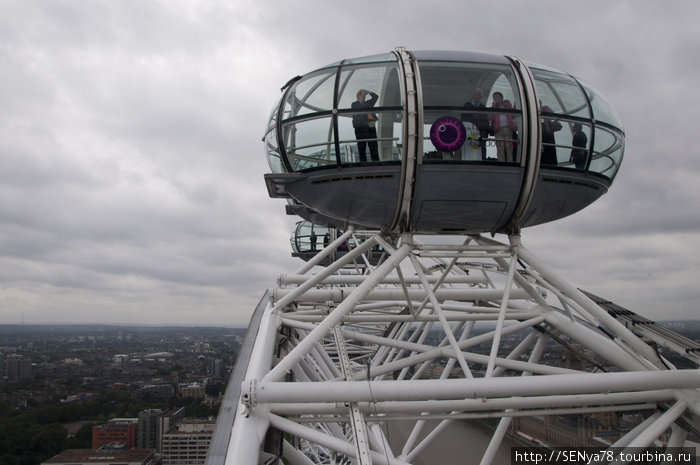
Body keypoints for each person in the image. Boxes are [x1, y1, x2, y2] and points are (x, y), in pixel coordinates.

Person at [351, 89, 380, 162]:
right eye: (363, 95)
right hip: (361, 129)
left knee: (374, 147)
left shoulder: (368, 103)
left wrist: (368, 92)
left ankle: (376, 163)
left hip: (370, 128)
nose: (364, 96)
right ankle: (363, 164)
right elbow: (357, 117)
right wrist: (368, 123)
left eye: (365, 95)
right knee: (362, 147)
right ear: (358, 96)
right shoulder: (354, 104)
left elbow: (376, 97)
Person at [462, 88, 490, 159]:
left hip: (480, 133)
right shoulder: (467, 105)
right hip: (470, 132)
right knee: (470, 148)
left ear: (481, 97)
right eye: (475, 95)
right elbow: (463, 119)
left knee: (481, 149)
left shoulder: (483, 107)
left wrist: (485, 134)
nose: (476, 96)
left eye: (478, 95)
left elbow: (486, 121)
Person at [488, 92, 517, 162]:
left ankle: (510, 161)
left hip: (508, 128)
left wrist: (515, 104)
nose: (496, 99)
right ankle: (501, 161)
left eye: (497, 97)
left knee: (508, 146)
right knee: (500, 146)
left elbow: (513, 115)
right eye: (494, 97)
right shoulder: (493, 108)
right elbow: (490, 118)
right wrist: (493, 107)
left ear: (501, 98)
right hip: (499, 129)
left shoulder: (507, 106)